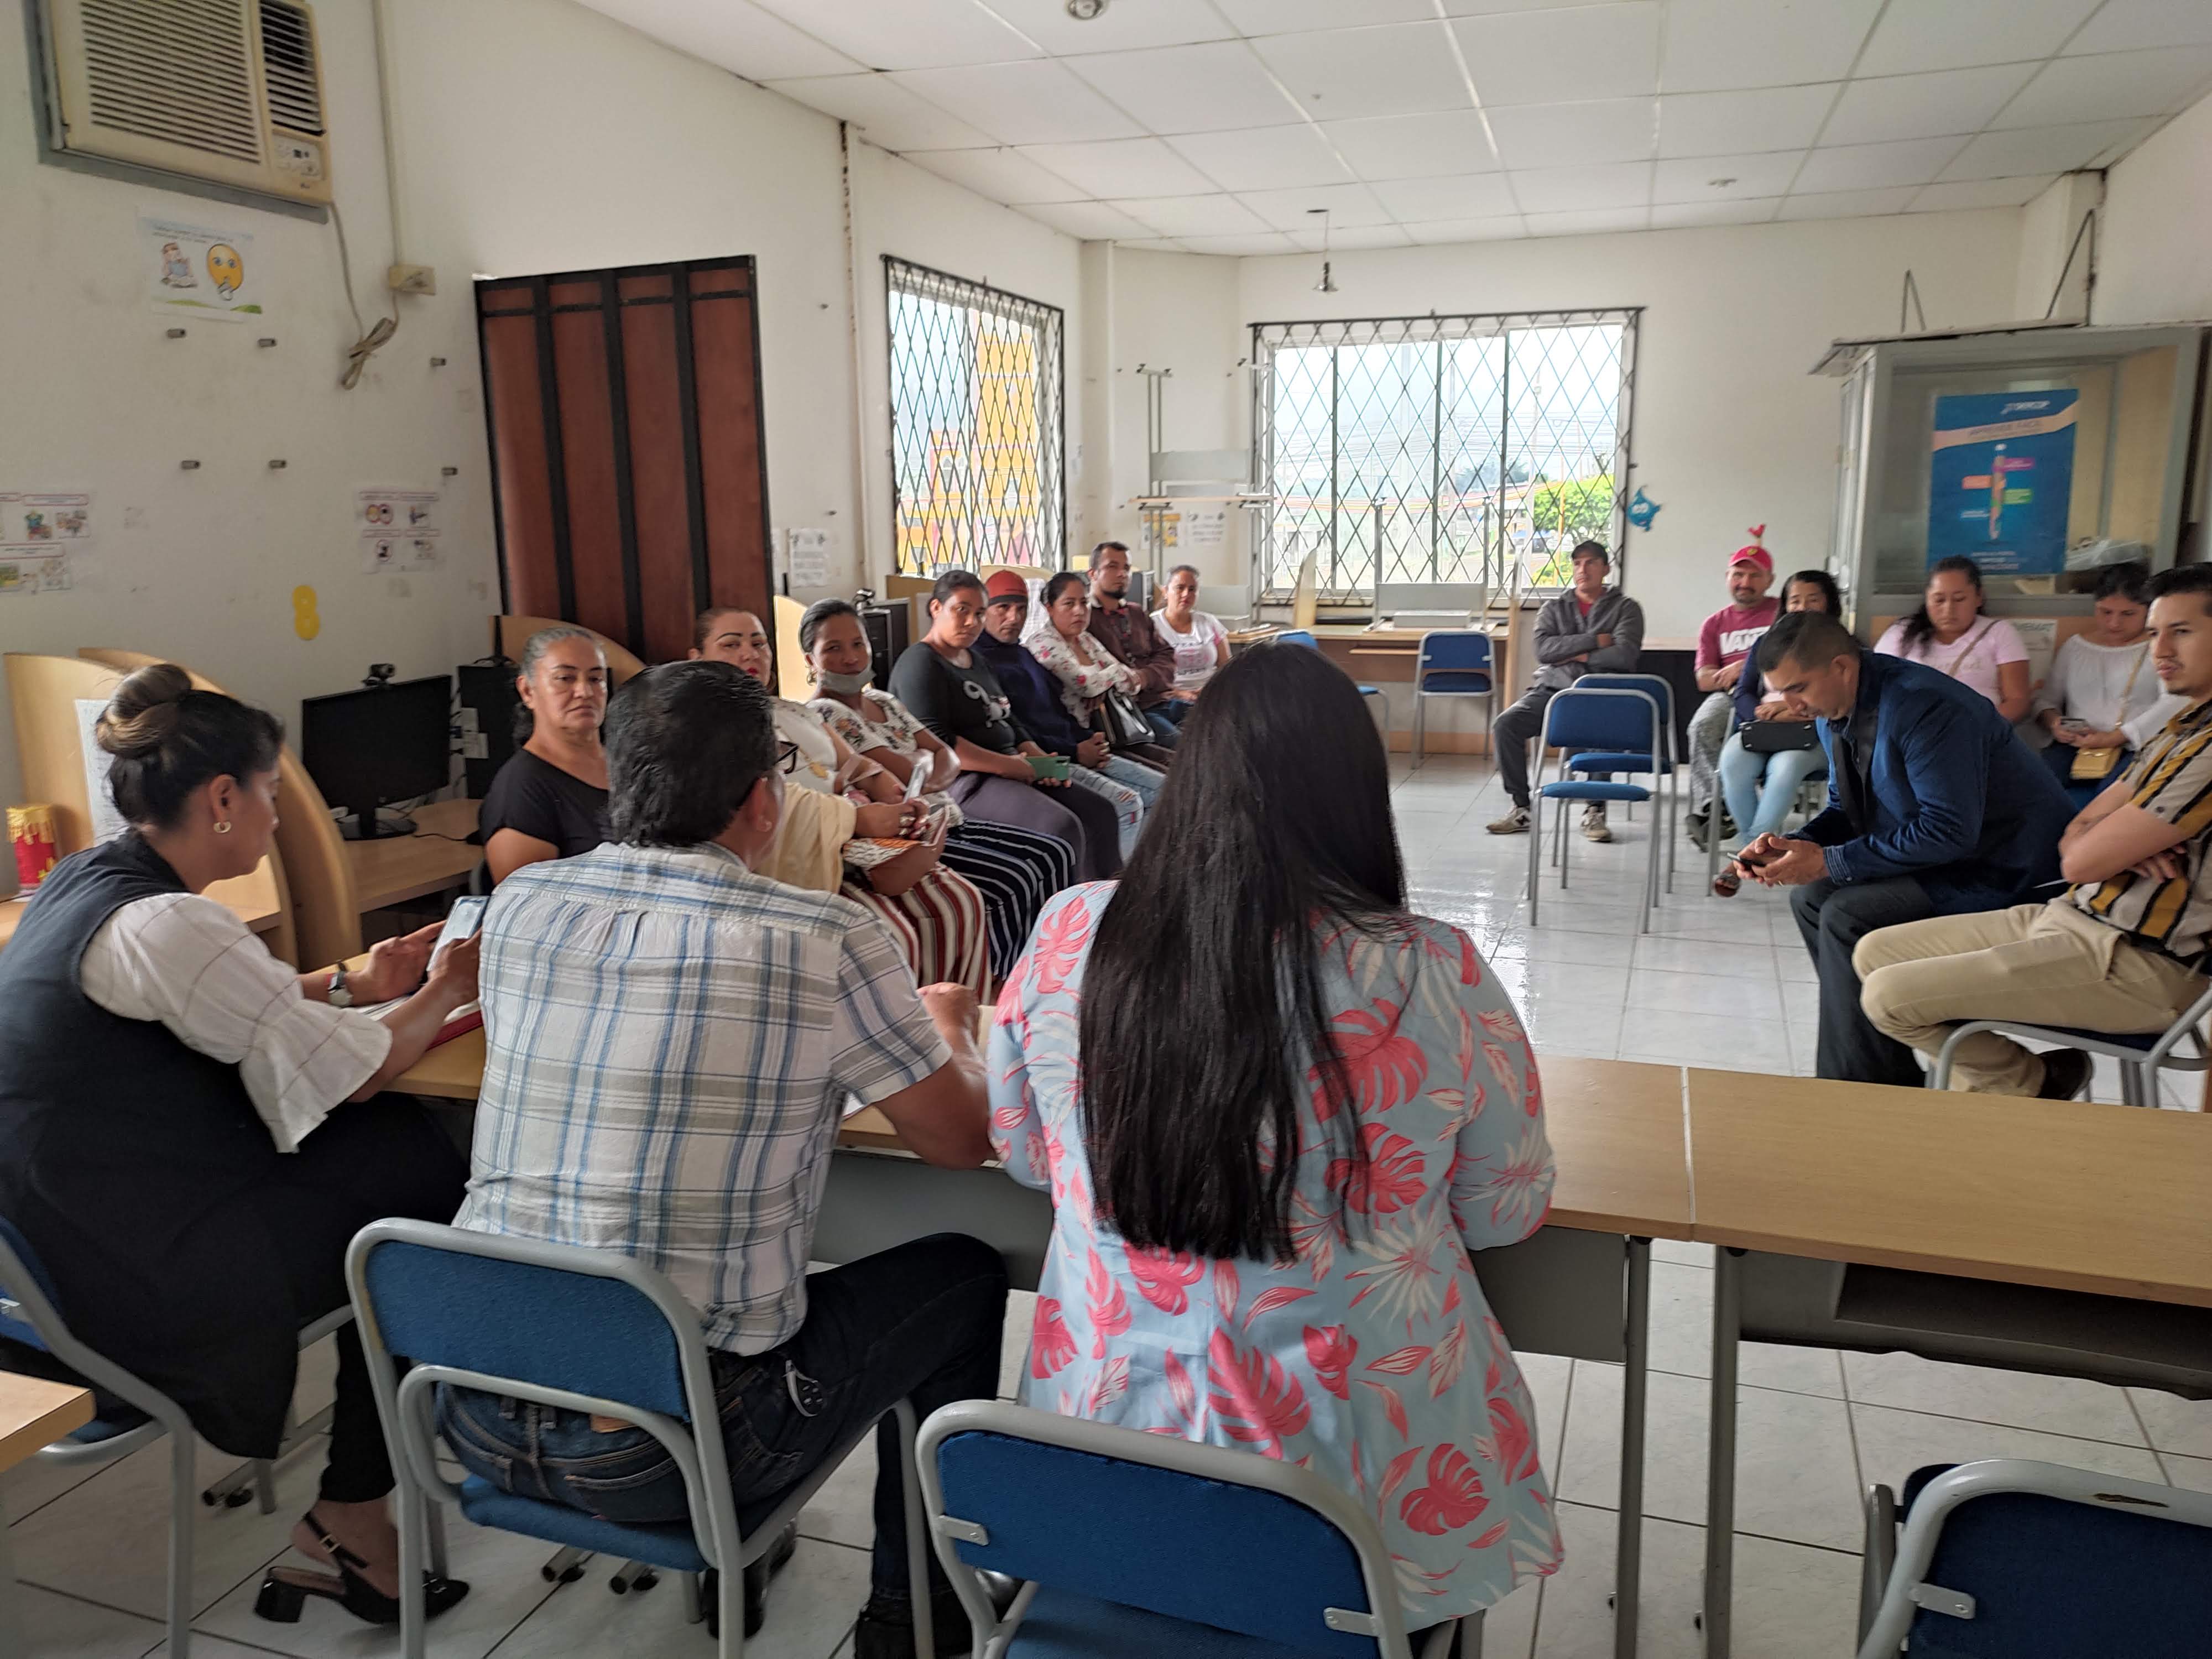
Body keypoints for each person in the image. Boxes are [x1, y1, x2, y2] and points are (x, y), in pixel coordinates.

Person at [989, 644, 1562, 1634]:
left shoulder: (1072, 932)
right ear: (1356, 797)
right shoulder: (1433, 972)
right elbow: (1503, 1213)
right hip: (1360, 1495)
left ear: (1191, 779)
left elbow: (1027, 1155)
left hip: (1105, 1469)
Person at [445, 659, 1005, 1659]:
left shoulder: (520, 906)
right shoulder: (824, 935)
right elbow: (959, 1143)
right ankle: (912, 1619)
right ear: (763, 799)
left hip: (468, 1408)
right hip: (671, 1451)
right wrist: (952, 1025)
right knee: (962, 1276)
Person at [0, 664, 477, 1627]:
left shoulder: (93, 878)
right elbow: (358, 1072)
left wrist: (353, 983)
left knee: (394, 1158)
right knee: (414, 1215)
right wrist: (447, 988)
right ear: (223, 799)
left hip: (55, 1244)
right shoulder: (170, 922)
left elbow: (223, 1003)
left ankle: (363, 1497)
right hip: (129, 1273)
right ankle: (352, 1511)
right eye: (269, 792)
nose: (276, 813)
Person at [1854, 564, 2212, 1099]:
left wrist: (2104, 842)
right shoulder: (2180, 729)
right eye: (2156, 632)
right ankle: (2025, 1088)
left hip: (2141, 961)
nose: (2159, 649)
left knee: (1890, 996)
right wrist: (2109, 837)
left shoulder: (2207, 751)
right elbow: (2077, 829)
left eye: (2180, 632)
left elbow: (2080, 861)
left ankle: (2022, 1089)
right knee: (1874, 953)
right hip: (2076, 916)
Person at [1731, 612, 2074, 1087]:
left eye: (1798, 688)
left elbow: (1948, 831)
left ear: (1842, 668)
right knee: (1810, 899)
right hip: (1945, 856)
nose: (1790, 704)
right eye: (1781, 691)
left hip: (2007, 867)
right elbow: (1847, 811)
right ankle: (1882, 1077)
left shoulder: (1926, 707)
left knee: (1848, 914)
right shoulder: (1835, 709)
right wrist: (1796, 846)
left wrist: (1829, 860)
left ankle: (1859, 1087)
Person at [695, 607, 987, 1000]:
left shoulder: (793, 712)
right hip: (802, 856)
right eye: (731, 645)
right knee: (891, 936)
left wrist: (889, 790)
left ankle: (955, 1015)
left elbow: (857, 763)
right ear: (698, 657)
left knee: (960, 902)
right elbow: (768, 803)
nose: (750, 654)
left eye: (759, 644)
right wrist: (857, 818)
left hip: (855, 841)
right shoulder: (708, 730)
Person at [800, 597, 1076, 980]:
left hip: (949, 816)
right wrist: (925, 763)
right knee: (1013, 881)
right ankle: (1006, 980)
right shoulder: (825, 713)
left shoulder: (883, 701)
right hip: (915, 833)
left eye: (858, 644)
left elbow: (947, 758)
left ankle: (1054, 967)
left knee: (1056, 853)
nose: (851, 658)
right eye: (833, 648)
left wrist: (925, 768)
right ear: (810, 660)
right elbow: (900, 779)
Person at [890, 570, 1126, 882]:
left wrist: (1037, 758)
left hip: (1010, 766)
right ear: (936, 608)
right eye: (961, 610)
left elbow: (1007, 716)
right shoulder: (921, 662)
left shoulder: (975, 660)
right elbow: (938, 743)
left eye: (979, 613)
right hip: (964, 780)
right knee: (1060, 827)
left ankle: (1110, 899)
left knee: (1100, 811)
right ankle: (1068, 910)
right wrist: (1010, 766)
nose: (972, 622)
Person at [971, 573, 1156, 864]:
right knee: (1126, 805)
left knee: (1163, 790)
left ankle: (1146, 873)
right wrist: (1075, 750)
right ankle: (1121, 886)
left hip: (1075, 746)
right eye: (1003, 608)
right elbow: (1015, 729)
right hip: (1046, 759)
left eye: (1021, 609)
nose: (1014, 618)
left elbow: (1056, 710)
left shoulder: (1022, 654)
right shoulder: (979, 661)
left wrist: (1087, 740)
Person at [1486, 540, 1645, 842]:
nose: (1583, 569)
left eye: (1591, 562)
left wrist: (1575, 654)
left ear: (1606, 568)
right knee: (1506, 724)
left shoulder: (1627, 608)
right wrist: (1595, 641)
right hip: (1554, 690)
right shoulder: (1554, 608)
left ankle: (1594, 811)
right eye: (1577, 563)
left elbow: (1624, 656)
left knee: (1607, 730)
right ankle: (1521, 806)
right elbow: (1544, 651)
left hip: (1603, 693)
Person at [1710, 568, 1842, 896]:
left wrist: (1788, 709)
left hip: (1810, 735)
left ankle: (1744, 857)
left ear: (1829, 604)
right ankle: (1755, 850)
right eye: (1795, 601)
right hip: (1763, 729)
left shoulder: (1840, 648)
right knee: (1732, 764)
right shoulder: (1766, 644)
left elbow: (1834, 701)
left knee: (1784, 769)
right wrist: (1760, 712)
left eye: (1813, 600)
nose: (1803, 608)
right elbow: (1743, 692)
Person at [2033, 561, 2182, 807]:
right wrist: (2055, 723)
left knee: (2107, 803)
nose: (2114, 623)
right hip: (2076, 744)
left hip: (2134, 746)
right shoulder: (2075, 647)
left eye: (2128, 614)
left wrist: (2116, 737)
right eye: (2106, 612)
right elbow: (2046, 700)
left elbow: (2173, 703)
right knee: (2037, 791)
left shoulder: (2158, 649)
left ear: (2149, 611)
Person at [479, 625, 611, 883]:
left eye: (596, 679)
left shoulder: (631, 764)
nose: (585, 692)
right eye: (565, 678)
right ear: (528, 691)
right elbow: (527, 902)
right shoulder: (520, 791)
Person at [1026, 570, 1176, 772]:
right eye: (1069, 604)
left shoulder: (1085, 639)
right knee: (1164, 778)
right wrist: (1109, 678)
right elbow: (1087, 685)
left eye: (1084, 602)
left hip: (1113, 729)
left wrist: (1103, 683)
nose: (1079, 611)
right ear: (1050, 608)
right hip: (1080, 742)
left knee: (1176, 762)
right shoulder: (1043, 643)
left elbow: (1131, 682)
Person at [1686, 533, 1780, 848]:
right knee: (1702, 726)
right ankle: (1715, 806)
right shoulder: (1714, 624)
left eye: (1755, 575)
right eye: (1738, 574)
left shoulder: (1782, 613)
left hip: (1779, 692)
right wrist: (1733, 676)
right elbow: (1704, 679)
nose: (1745, 582)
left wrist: (1746, 667)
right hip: (1730, 696)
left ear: (1770, 580)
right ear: (1727, 577)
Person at [1874, 556, 2031, 723]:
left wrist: (1980, 729)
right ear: (1927, 599)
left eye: (1959, 599)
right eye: (1939, 600)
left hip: (1978, 732)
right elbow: (1876, 692)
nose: (1949, 609)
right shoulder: (1900, 634)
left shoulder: (2000, 632)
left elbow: (2017, 701)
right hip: (1911, 730)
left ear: (1979, 597)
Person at [1084, 540, 1183, 747]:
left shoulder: (1137, 613)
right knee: (1186, 746)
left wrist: (1144, 677)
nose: (1122, 574)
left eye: (1127, 568)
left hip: (1163, 700)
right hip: (1131, 713)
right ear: (1093, 574)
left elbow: (1167, 655)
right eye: (1113, 567)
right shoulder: (1084, 618)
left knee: (1226, 724)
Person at [1150, 562, 1229, 700]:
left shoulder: (1209, 622)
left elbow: (1227, 668)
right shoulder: (1151, 625)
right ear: (1165, 592)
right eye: (1180, 588)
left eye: (1192, 589)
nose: (1186, 594)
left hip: (1210, 697)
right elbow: (1147, 674)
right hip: (1168, 699)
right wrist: (1180, 694)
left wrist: (1210, 690)